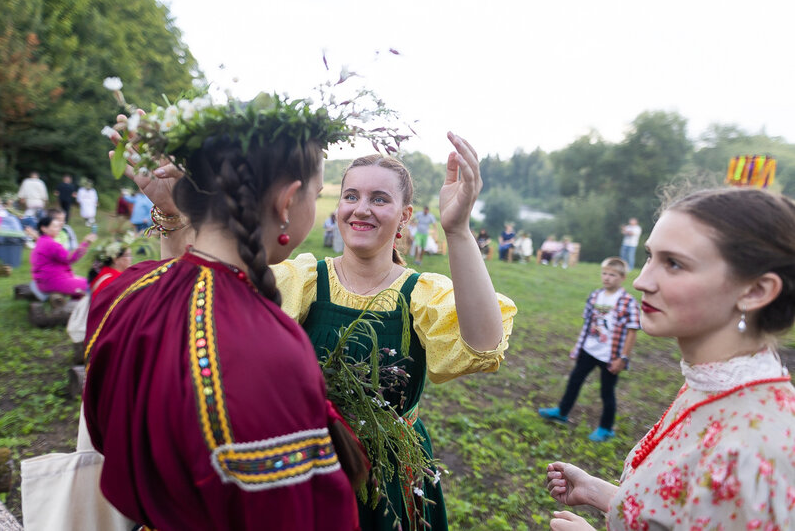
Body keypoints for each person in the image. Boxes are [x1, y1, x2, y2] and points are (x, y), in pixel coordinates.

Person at [85, 94, 366, 530]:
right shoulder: (270, 352)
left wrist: (173, 210)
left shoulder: (121, 294)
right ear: (288, 202)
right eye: (316, 192)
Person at [271, 138, 517, 530]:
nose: (361, 209)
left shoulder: (419, 294)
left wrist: (457, 231)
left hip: (389, 472)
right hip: (310, 462)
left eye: (379, 199)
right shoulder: (303, 280)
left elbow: (483, 345)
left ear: (405, 216)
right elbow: (207, 303)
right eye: (351, 195)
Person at [545, 188, 795, 531]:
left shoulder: (753, 452)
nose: (641, 281)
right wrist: (602, 493)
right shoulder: (715, 385)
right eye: (650, 256)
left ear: (755, 291)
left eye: (674, 263)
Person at [538, 257, 639, 441]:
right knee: (574, 381)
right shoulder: (595, 296)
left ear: (622, 277)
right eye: (605, 273)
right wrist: (578, 347)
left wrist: (623, 358)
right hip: (589, 350)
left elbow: (632, 332)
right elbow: (587, 324)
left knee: (607, 392)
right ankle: (562, 411)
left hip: (610, 356)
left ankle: (606, 428)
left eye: (612, 275)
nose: (607, 278)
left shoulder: (627, 302)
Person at [30, 215, 96, 296]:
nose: (59, 229)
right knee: (94, 284)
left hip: (44, 282)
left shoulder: (41, 241)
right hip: (54, 281)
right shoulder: (50, 244)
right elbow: (70, 258)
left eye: (58, 226)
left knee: (87, 282)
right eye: (55, 226)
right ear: (44, 228)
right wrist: (86, 243)